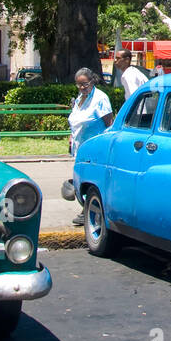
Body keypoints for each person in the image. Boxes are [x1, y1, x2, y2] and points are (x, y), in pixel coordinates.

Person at [68, 68, 113, 226]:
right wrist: (71, 138)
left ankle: (88, 210)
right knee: (81, 178)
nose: (82, 88)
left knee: (91, 180)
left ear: (92, 81)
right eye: (79, 85)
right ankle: (87, 207)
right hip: (80, 146)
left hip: (95, 147)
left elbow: (109, 124)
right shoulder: (80, 98)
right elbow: (75, 121)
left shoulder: (100, 98)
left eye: (85, 84)